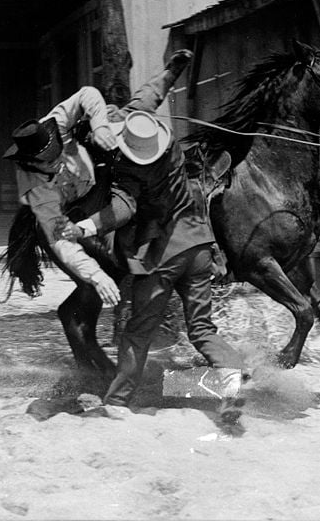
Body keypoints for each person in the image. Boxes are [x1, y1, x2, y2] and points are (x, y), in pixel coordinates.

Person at [62, 109, 244, 413]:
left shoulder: (131, 173)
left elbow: (122, 209)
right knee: (201, 328)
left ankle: (118, 401)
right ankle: (230, 370)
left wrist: (83, 227)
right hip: (198, 246)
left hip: (161, 258)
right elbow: (149, 97)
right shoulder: (171, 147)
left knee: (137, 333)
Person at [3, 50, 193, 306]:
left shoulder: (54, 124)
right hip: (87, 198)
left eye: (57, 149)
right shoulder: (39, 193)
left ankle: (169, 74)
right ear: (31, 162)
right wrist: (96, 276)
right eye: (49, 159)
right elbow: (61, 242)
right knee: (121, 237)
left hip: (94, 153)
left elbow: (87, 94)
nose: (57, 158)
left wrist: (100, 126)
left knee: (135, 112)